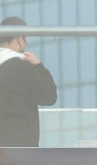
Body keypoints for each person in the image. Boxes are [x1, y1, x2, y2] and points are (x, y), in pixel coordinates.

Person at [0, 17, 58, 146]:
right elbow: (50, 97)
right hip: (21, 146)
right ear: (20, 39)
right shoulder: (23, 67)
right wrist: (39, 66)